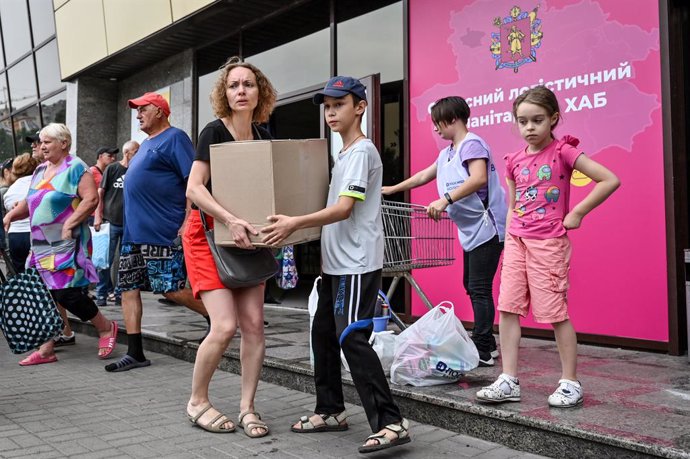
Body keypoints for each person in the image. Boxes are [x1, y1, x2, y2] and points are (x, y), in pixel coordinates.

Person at [262, 76, 411, 454]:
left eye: (339, 104)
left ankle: (391, 422)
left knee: (351, 338)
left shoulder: (361, 152)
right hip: (336, 264)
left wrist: (295, 222)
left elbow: (345, 209)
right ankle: (330, 410)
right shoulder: (343, 154)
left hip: (357, 263)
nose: (331, 112)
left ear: (360, 107)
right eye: (327, 106)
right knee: (323, 334)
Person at [476, 86, 620, 407]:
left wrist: (577, 213)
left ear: (553, 119)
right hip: (516, 242)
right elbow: (513, 204)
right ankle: (509, 379)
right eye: (522, 121)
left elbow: (609, 179)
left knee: (555, 313)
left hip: (548, 243)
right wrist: (510, 234)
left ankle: (570, 381)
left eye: (537, 120)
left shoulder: (563, 153)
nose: (529, 127)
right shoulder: (512, 160)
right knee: (508, 308)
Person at [183, 56, 275, 438]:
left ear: (260, 93)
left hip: (249, 239)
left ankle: (247, 408)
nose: (241, 90)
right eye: (234, 85)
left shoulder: (264, 138)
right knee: (224, 326)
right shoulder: (213, 132)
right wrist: (230, 218)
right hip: (206, 236)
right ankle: (197, 401)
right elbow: (193, 188)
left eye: (248, 84)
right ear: (225, 93)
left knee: (254, 326)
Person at [382, 96, 507, 366]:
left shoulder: (472, 144)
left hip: (488, 227)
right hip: (471, 229)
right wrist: (391, 190)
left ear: (452, 119)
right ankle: (489, 342)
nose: (436, 129)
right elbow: (423, 176)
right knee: (471, 286)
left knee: (479, 288)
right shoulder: (448, 152)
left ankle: (483, 348)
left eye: (438, 123)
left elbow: (479, 178)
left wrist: (445, 199)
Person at [105, 92, 209, 373]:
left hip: (161, 230)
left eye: (143, 109)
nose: (138, 114)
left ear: (160, 111)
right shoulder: (144, 145)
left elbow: (194, 182)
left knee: (171, 289)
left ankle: (218, 319)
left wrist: (189, 218)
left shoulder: (175, 138)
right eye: (136, 110)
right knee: (128, 289)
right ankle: (135, 352)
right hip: (133, 234)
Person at [2, 123, 118, 366]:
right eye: (40, 142)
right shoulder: (40, 169)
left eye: (47, 141)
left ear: (64, 143)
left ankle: (105, 327)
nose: (41, 146)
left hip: (67, 242)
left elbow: (91, 199)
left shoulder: (76, 167)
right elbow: (31, 200)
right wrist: (12, 215)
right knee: (43, 294)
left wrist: (70, 224)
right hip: (40, 245)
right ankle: (46, 350)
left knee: (66, 293)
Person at [94, 141, 139, 307]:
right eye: (136, 151)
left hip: (130, 223)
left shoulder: (137, 170)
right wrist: (98, 216)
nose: (139, 154)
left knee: (125, 261)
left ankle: (120, 293)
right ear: (127, 153)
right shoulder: (112, 169)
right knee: (105, 259)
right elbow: (101, 192)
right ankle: (101, 293)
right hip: (111, 221)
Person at [3, 153, 40, 273]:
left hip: (15, 236)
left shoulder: (10, 190)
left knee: (20, 273)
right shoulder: (38, 184)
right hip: (34, 233)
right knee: (39, 271)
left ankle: (25, 291)